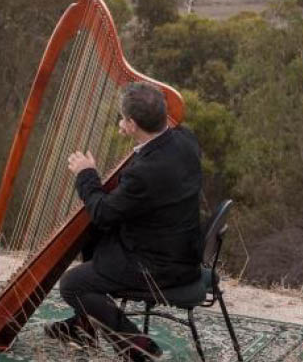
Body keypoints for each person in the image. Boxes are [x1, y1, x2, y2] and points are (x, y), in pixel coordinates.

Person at [44, 82, 203, 361]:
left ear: (131, 123)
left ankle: (137, 347)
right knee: (92, 234)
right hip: (182, 250)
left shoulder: (144, 173)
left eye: (125, 120)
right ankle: (85, 325)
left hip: (158, 267)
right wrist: (135, 134)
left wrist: (86, 174)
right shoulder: (185, 139)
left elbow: (103, 212)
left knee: (73, 284)